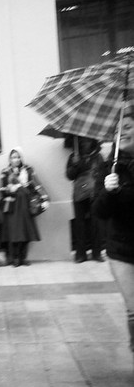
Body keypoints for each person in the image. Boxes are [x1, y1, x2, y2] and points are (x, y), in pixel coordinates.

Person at [93, 110, 134, 368]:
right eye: (120, 129)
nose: (125, 131)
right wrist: (110, 192)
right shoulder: (109, 168)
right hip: (122, 248)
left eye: (129, 125)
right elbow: (98, 211)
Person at [0, 148, 49, 267]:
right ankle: (15, 258)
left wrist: (45, 198)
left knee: (26, 232)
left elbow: (37, 185)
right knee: (15, 233)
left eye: (17, 157)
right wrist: (12, 188)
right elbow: (2, 191)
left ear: (21, 158)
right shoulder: (5, 172)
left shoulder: (28, 170)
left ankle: (23, 257)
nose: (15, 159)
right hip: (12, 206)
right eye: (13, 157)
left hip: (26, 204)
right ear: (9, 159)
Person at [66, 136, 105, 263]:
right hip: (79, 193)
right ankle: (80, 254)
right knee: (79, 224)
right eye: (82, 141)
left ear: (93, 141)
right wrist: (75, 165)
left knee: (96, 223)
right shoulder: (74, 156)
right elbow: (69, 176)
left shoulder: (98, 157)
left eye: (87, 140)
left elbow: (103, 173)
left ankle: (96, 253)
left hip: (95, 193)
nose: (84, 143)